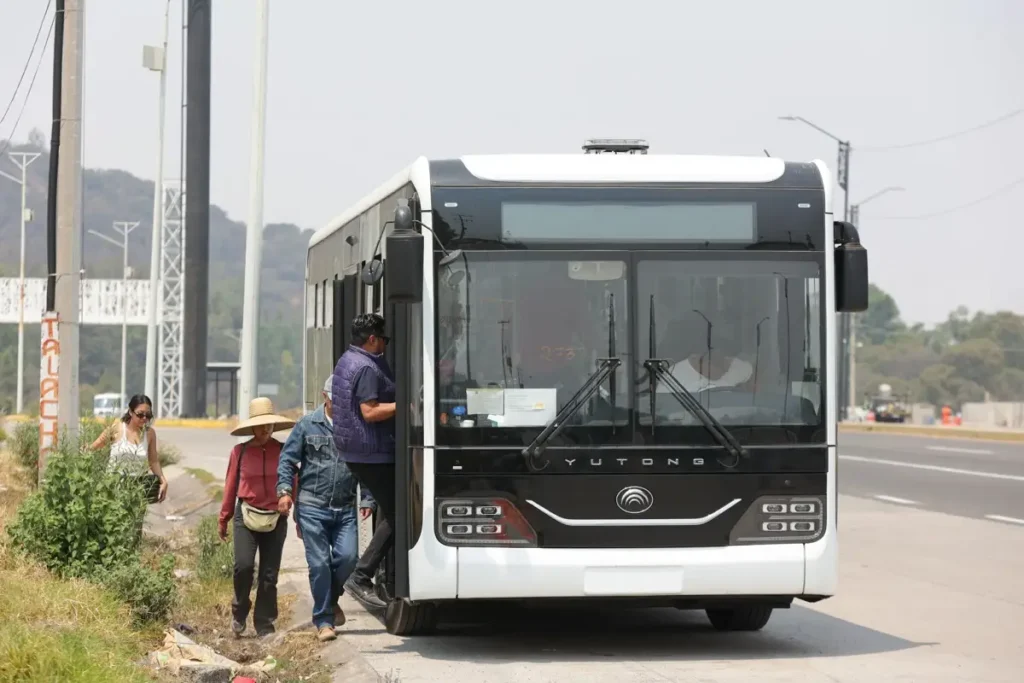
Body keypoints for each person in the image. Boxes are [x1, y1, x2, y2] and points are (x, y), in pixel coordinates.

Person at [277, 377, 374, 642]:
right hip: (312, 507)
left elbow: (364, 466)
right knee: (319, 564)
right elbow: (287, 461)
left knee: (349, 557)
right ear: (325, 397)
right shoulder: (308, 425)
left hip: (344, 509)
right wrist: (284, 492)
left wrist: (367, 498)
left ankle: (329, 600)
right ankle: (323, 621)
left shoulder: (355, 429)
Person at [332, 313, 396, 609]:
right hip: (371, 452)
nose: (385, 344)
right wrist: (407, 404)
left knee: (390, 507)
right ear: (372, 339)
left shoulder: (347, 359)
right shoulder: (367, 367)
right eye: (383, 339)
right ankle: (361, 576)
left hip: (356, 451)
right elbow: (369, 412)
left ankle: (373, 573)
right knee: (400, 514)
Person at [219, 397, 296, 638]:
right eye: (261, 425)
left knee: (269, 574)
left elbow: (295, 483)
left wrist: (299, 514)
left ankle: (264, 622)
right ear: (252, 426)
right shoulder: (239, 452)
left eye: (269, 425)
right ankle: (239, 611)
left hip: (275, 517)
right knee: (243, 566)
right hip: (246, 516)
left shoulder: (284, 452)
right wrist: (224, 517)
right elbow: (231, 486)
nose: (265, 430)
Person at [90, 393, 168, 504]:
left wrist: (163, 481)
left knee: (134, 521)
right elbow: (93, 448)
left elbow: (153, 461)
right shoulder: (116, 429)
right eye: (140, 415)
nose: (144, 418)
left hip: (137, 490)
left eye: (148, 415)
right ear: (131, 412)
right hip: (113, 489)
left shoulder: (150, 434)